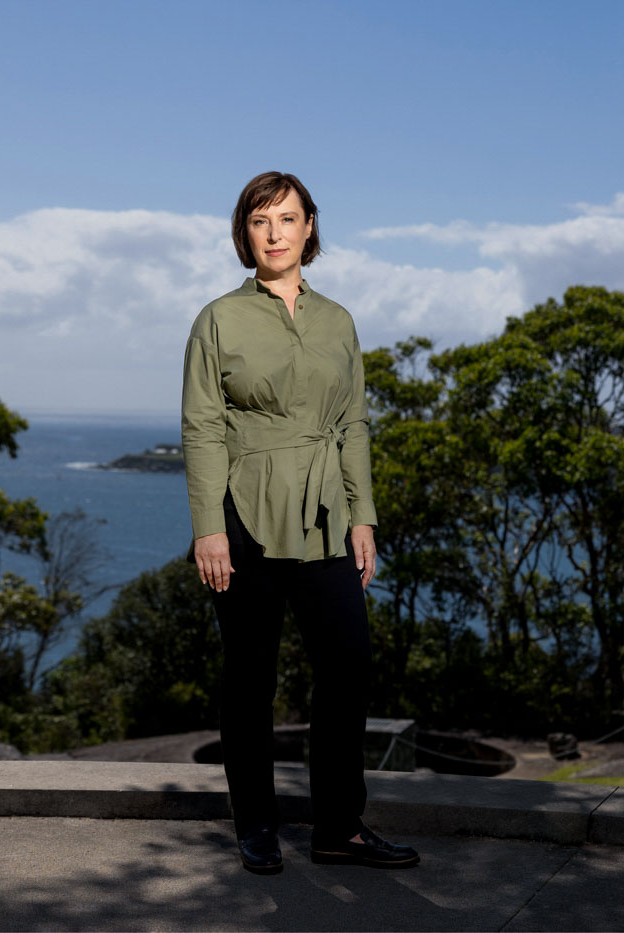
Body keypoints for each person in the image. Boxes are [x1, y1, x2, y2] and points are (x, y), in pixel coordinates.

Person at [181, 171, 420, 875]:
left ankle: (338, 826)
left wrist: (364, 519)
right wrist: (208, 528)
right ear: (245, 234)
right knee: (250, 678)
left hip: (327, 521)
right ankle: (256, 823)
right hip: (244, 515)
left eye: (288, 218)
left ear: (310, 226)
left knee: (348, 668)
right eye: (261, 221)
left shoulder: (338, 320)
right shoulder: (218, 319)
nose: (276, 232)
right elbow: (202, 427)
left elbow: (353, 424)